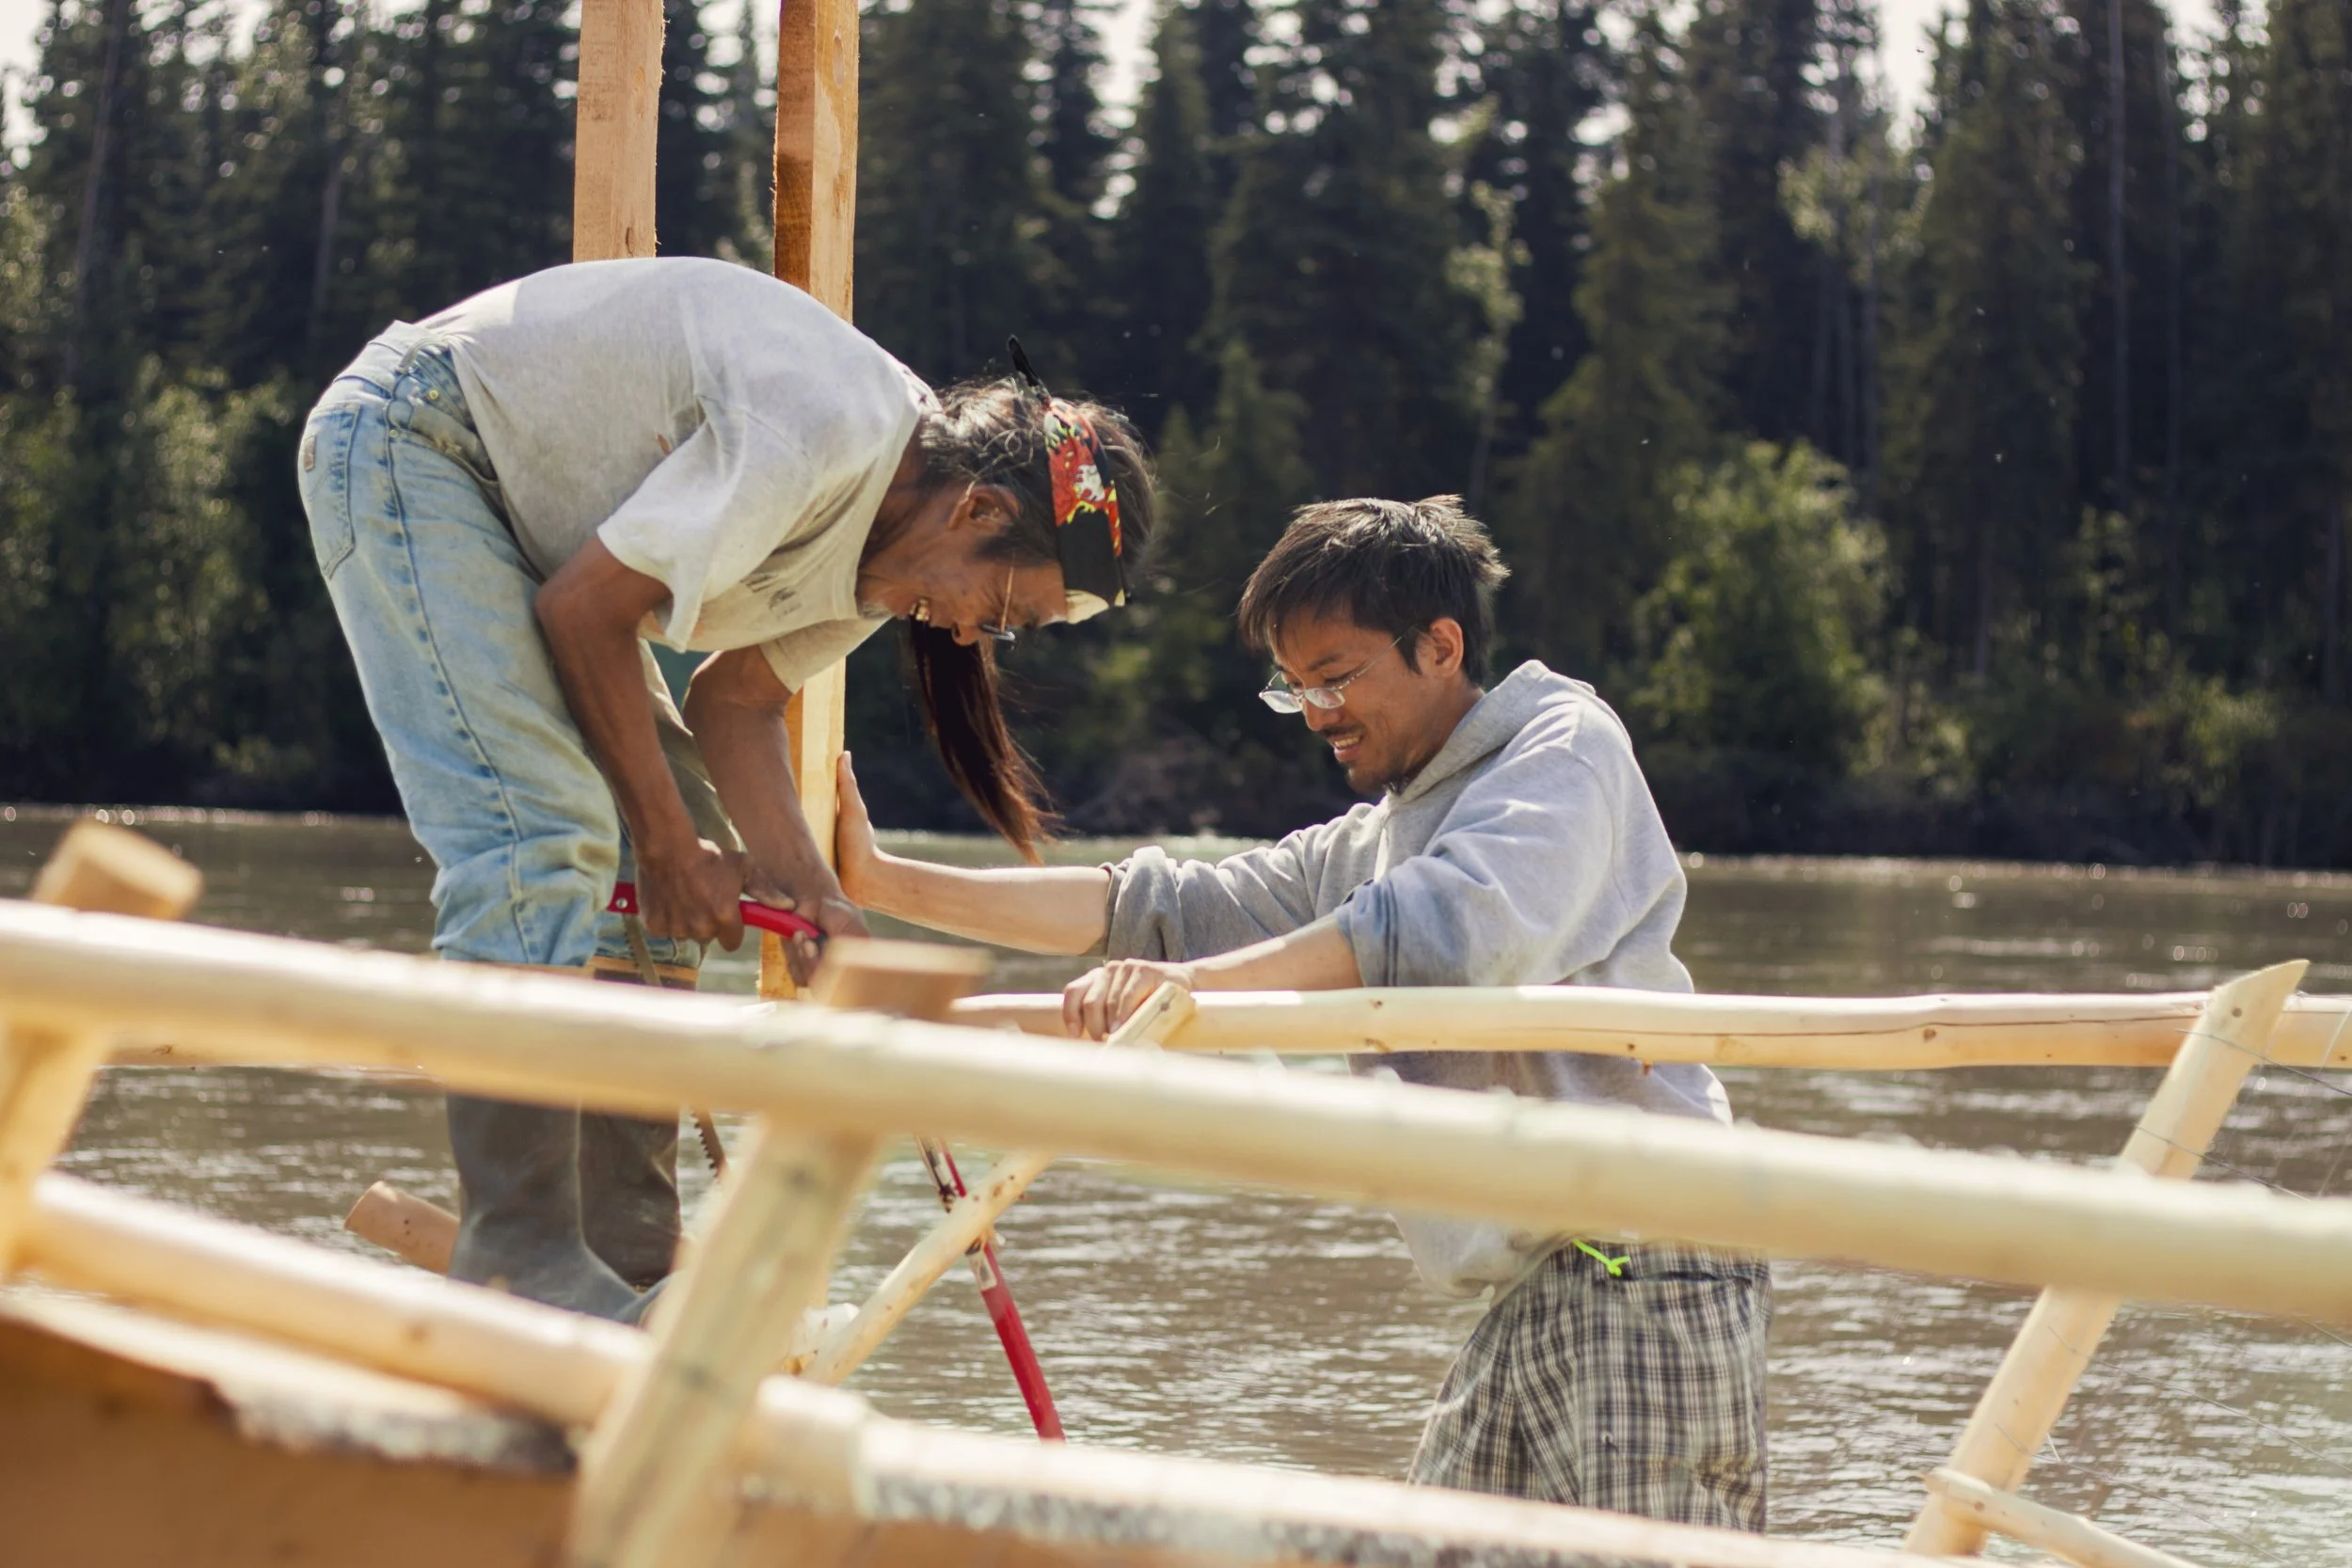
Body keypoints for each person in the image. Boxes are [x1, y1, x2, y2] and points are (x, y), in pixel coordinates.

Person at [833, 497, 1768, 1528]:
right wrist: (879, 881)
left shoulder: (1562, 748)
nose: (1317, 711)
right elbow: (1155, 906)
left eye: (1336, 676)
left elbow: (1448, 933)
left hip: (1645, 1264)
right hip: (1535, 1286)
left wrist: (1190, 991)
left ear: (1441, 645)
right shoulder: (1374, 836)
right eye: (1295, 687)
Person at [297, 256, 1153, 1322]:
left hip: (523, 523)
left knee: (678, 821)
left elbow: (735, 704)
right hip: (417, 441)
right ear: (978, 507)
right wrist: (660, 842)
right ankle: (516, 1246)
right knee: (542, 829)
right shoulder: (821, 436)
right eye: (1007, 610)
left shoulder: (884, 564)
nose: (979, 635)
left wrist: (812, 894)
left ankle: (629, 1255)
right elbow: (583, 615)